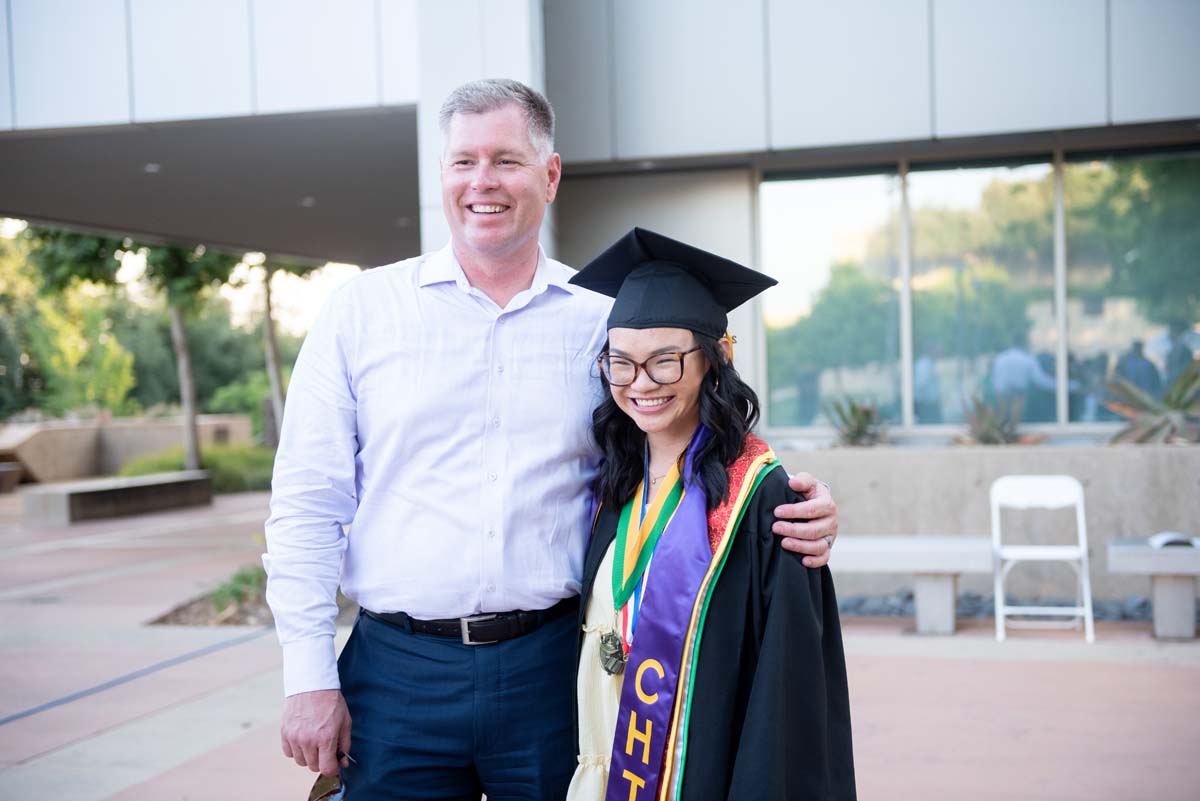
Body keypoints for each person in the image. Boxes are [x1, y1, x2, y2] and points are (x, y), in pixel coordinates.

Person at [264, 79, 840, 800]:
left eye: (505, 159)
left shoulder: (604, 320)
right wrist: (308, 676)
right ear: (441, 175)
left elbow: (689, 437)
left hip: (554, 671)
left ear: (550, 175)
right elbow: (306, 505)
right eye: (462, 161)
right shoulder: (361, 313)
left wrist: (787, 503)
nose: (482, 182)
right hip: (397, 672)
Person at [566, 229, 855, 801]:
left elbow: (786, 696)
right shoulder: (611, 484)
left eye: (665, 362)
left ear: (715, 357)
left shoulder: (762, 498)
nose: (641, 384)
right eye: (620, 364)